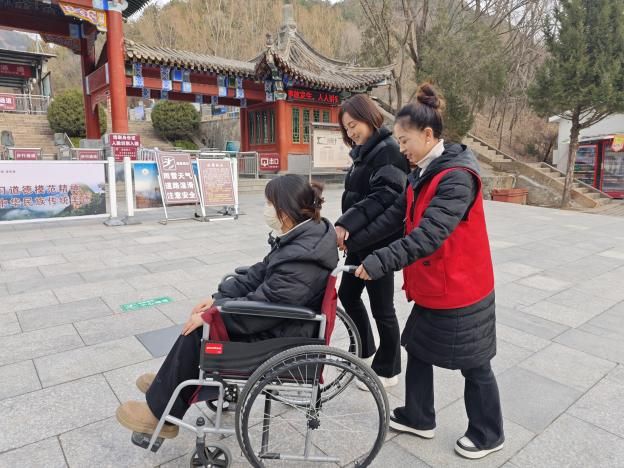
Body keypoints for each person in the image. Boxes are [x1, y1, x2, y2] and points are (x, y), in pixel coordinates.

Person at [116, 175, 338, 438]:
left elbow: (264, 308)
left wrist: (215, 315)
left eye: (269, 204)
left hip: (281, 335)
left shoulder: (302, 256)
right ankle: (168, 385)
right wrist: (217, 299)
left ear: (285, 211)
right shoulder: (303, 237)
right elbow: (259, 274)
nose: (266, 209)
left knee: (199, 331)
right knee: (204, 319)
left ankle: (161, 415)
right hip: (281, 322)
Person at [349, 83, 504, 460]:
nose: (400, 148)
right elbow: (394, 214)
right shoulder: (423, 170)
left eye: (404, 141)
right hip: (437, 284)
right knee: (417, 348)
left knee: (475, 363)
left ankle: (489, 433)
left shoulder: (456, 176)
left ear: (428, 135)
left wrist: (379, 261)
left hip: (463, 287)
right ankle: (419, 416)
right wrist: (352, 238)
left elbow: (429, 235)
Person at [335, 94, 409, 389]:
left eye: (354, 124)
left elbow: (385, 196)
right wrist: (349, 231)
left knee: (382, 308)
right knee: (348, 295)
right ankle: (365, 349)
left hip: (380, 243)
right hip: (360, 242)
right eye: (347, 128)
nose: (351, 132)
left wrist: (346, 223)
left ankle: (388, 369)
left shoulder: (388, 150)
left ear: (369, 118)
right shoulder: (364, 152)